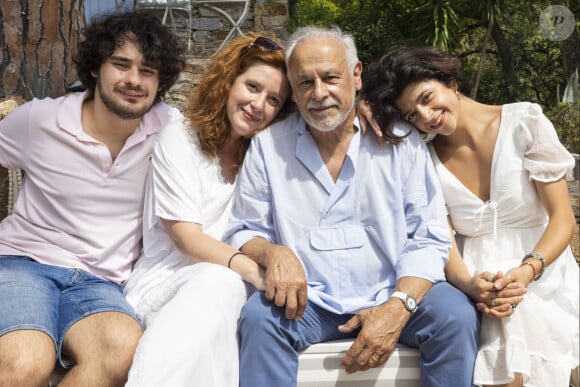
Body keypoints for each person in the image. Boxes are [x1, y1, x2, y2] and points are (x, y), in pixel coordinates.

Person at [223, 26, 479, 387]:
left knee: (455, 316)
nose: (320, 93)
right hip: (308, 303)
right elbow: (245, 228)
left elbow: (428, 234)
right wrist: (271, 252)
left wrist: (398, 304)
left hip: (392, 290)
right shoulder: (268, 146)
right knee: (259, 318)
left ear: (356, 76)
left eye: (330, 77)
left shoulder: (399, 141)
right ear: (292, 93)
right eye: (305, 83)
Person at [359, 46, 579, 387]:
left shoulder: (525, 122)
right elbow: (441, 237)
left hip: (542, 270)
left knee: (521, 319)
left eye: (427, 97)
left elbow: (563, 219)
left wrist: (526, 270)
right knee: (500, 329)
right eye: (412, 114)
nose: (426, 115)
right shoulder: (425, 158)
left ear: (450, 81)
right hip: (478, 281)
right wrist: (469, 286)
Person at [0, 11, 185, 386]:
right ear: (96, 68)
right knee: (26, 364)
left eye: (148, 70)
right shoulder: (40, 121)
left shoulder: (169, 129)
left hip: (101, 281)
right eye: (121, 64)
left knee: (122, 355)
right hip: (23, 262)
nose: (134, 80)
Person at [123, 33, 293, 386]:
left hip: (230, 290)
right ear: (228, 83)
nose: (258, 104)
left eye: (273, 99)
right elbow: (186, 238)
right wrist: (252, 272)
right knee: (220, 282)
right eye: (252, 87)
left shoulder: (263, 158)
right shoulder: (179, 137)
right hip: (168, 280)